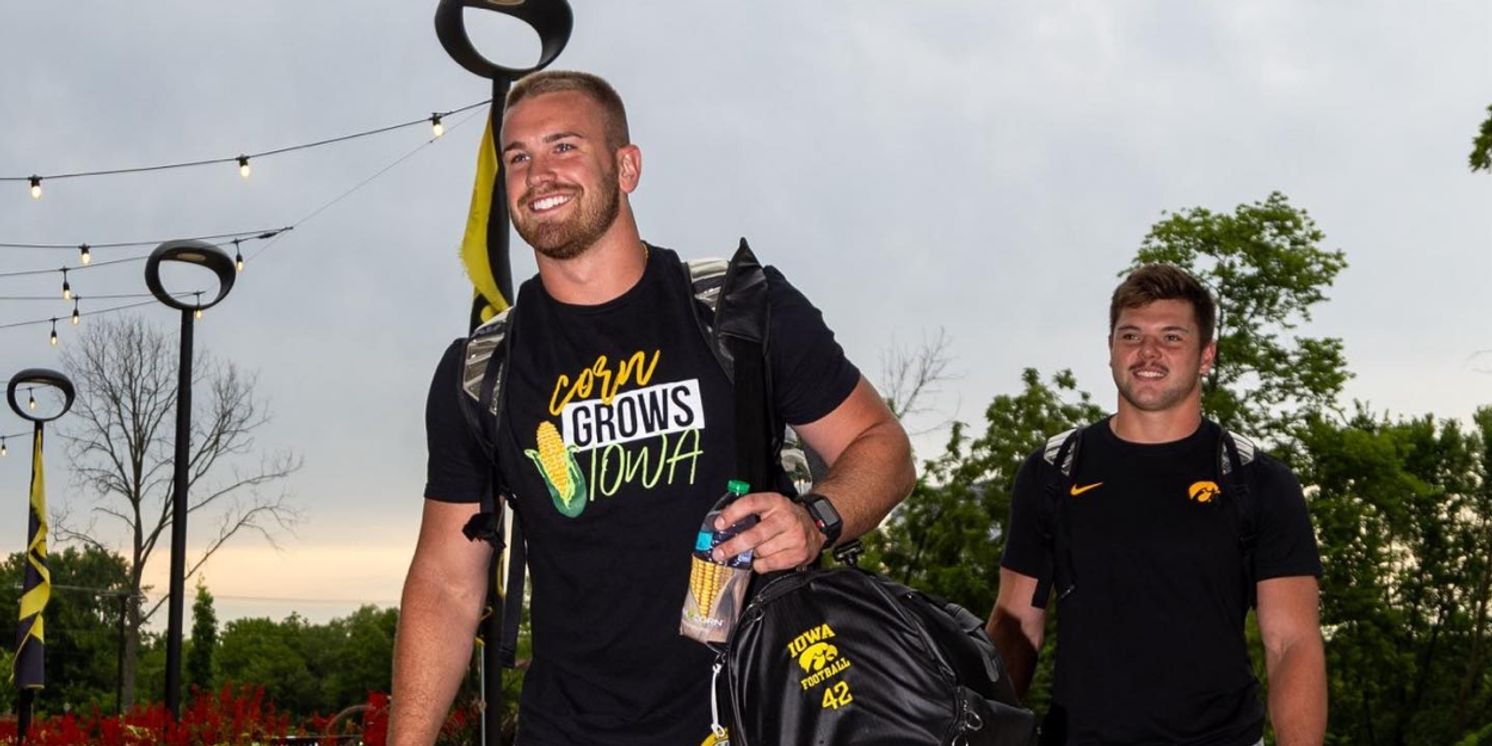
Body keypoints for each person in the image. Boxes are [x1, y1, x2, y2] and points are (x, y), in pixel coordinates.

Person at [388, 70, 914, 746]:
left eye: (564, 147)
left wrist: (816, 519)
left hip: (751, 716)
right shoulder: (480, 371)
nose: (537, 174)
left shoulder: (740, 310)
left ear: (626, 165)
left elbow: (881, 446)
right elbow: (445, 584)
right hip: (565, 729)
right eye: (517, 157)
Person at [987, 265, 1327, 746]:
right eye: (1131, 335)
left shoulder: (1256, 480)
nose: (1147, 353)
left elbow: (1291, 643)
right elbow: (1017, 624)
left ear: (1206, 355)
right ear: (1110, 349)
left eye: (1171, 337)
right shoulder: (1054, 471)